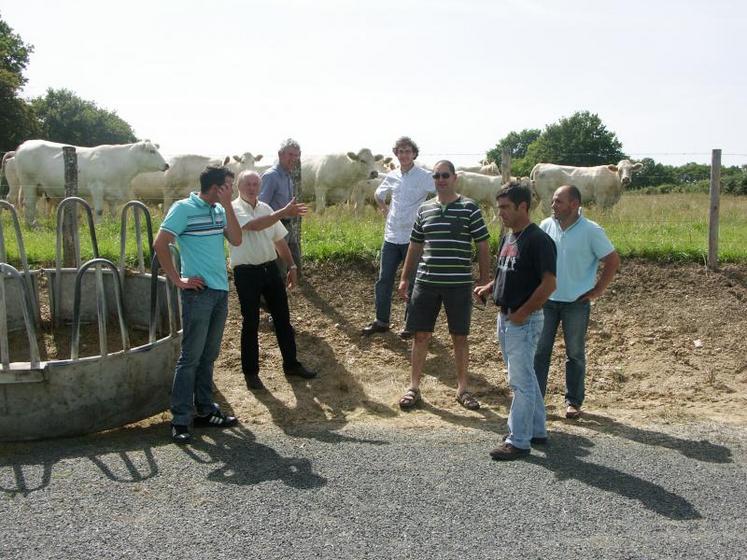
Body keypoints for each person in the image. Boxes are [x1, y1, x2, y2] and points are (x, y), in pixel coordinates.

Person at [153, 165, 243, 444]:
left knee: (209, 354)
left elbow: (237, 240)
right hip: (198, 293)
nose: (233, 190)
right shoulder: (183, 208)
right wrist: (178, 279)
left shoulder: (219, 210)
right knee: (190, 357)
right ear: (217, 187)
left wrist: (228, 207)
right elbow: (161, 243)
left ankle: (205, 410)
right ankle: (180, 419)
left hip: (220, 291)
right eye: (229, 185)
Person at [396, 160, 490, 411]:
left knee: (460, 336)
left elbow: (482, 245)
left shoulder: (470, 207)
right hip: (426, 283)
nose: (440, 179)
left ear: (454, 177)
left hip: (459, 284)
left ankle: (462, 389)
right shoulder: (424, 209)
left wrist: (483, 279)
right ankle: (413, 387)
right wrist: (405, 278)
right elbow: (415, 246)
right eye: (436, 176)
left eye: (445, 175)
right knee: (420, 335)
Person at [475, 182, 557, 460]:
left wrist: (523, 312)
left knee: (519, 382)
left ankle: (518, 441)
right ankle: (536, 429)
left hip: (524, 319)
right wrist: (490, 287)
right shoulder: (509, 236)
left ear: (523, 206)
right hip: (506, 316)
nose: (500, 213)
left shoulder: (538, 240)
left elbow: (549, 284)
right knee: (526, 377)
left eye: (506, 207)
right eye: (499, 207)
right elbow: (506, 270)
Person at [533, 185, 620, 419]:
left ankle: (573, 402)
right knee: (540, 352)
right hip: (547, 301)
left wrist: (598, 290)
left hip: (576, 302)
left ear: (574, 204)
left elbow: (612, 260)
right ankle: (535, 400)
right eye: (553, 200)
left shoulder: (591, 231)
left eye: (558, 201)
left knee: (575, 353)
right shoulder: (545, 226)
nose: (553, 205)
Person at [230, 170, 317, 391]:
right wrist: (284, 212)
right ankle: (251, 373)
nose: (252, 187)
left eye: (255, 184)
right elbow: (254, 226)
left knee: (283, 319)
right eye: (248, 184)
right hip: (246, 273)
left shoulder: (266, 208)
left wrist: (292, 265)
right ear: (239, 187)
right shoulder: (232, 208)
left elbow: (279, 241)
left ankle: (291, 364)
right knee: (250, 322)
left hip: (270, 270)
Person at [361, 136, 435, 339]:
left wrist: (429, 214)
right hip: (391, 235)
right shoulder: (392, 175)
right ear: (396, 154)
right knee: (384, 280)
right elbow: (378, 193)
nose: (404, 155)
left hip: (414, 237)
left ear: (414, 153)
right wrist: (385, 208)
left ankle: (411, 324)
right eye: (400, 151)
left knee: (413, 280)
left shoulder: (424, 176)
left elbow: (440, 192)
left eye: (407, 151)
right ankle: (381, 321)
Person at [259, 138, 302, 279]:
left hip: (287, 226)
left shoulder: (287, 175)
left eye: (297, 155)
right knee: (277, 271)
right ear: (280, 154)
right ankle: (269, 300)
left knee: (292, 266)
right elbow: (260, 207)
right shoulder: (271, 176)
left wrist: (292, 211)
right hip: (275, 228)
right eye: (290, 154)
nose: (294, 158)